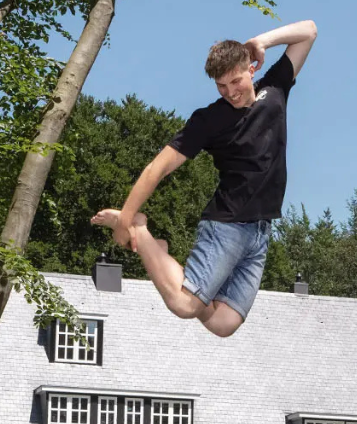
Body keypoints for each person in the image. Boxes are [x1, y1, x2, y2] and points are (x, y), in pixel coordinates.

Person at [90, 19, 317, 337]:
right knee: (185, 305)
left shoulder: (276, 89)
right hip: (226, 226)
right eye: (221, 86)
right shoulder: (210, 119)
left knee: (223, 323)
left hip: (260, 231)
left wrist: (261, 41)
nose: (230, 93)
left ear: (251, 69)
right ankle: (141, 231)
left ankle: (158, 251)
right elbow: (158, 168)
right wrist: (126, 218)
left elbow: (309, 31)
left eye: (235, 82)